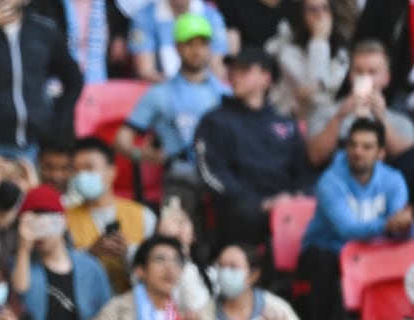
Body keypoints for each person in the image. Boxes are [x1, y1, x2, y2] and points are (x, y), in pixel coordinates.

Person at [299, 117, 412, 320]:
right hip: (326, 251)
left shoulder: (393, 180)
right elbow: (347, 230)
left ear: (381, 153)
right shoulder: (329, 181)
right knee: (327, 264)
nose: (358, 152)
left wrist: (404, 226)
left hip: (373, 256)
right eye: (353, 144)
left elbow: (399, 231)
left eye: (367, 146)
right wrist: (389, 226)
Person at [0, 0, 84, 192]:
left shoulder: (43, 29)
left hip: (32, 146)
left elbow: (74, 79)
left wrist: (56, 124)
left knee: (31, 212)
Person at [115, 13, 229, 233]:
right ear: (177, 47)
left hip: (222, 171)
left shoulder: (226, 92)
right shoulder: (159, 94)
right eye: (189, 44)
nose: (197, 50)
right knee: (175, 220)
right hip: (181, 172)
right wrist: (141, 155)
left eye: (203, 43)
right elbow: (122, 139)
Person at [193, 47, 313, 248]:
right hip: (241, 208)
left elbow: (305, 171)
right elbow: (210, 174)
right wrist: (259, 203)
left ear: (266, 78)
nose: (235, 75)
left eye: (245, 70)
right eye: (233, 69)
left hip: (287, 205)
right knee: (244, 214)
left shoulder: (286, 124)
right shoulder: (214, 121)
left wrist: (296, 196)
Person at [12, 185, 111, 320]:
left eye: (46, 223)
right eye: (32, 225)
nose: (40, 233)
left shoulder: (90, 267)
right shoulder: (20, 265)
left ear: (63, 222)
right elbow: (19, 291)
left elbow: (107, 315)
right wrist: (23, 249)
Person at [65, 137, 157, 294]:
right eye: (76, 170)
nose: (81, 176)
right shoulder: (65, 218)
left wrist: (128, 253)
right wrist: (90, 255)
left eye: (89, 168)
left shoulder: (143, 216)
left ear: (112, 171)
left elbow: (155, 268)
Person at [306, 39, 414, 167]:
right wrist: (339, 117)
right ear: (350, 75)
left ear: (386, 78)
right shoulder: (327, 113)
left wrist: (381, 119)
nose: (365, 77)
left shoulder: (400, 121)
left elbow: (408, 161)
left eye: (372, 72)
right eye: (358, 71)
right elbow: (315, 157)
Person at [265, 0, 350, 120]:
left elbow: (338, 84)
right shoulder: (287, 51)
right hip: (291, 120)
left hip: (330, 120)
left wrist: (320, 86)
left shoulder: (342, 48)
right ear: (302, 16)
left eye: (325, 8)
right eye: (312, 10)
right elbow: (314, 97)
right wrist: (319, 40)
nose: (320, 15)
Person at [127, 0, 228, 83]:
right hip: (160, 92)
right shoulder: (144, 17)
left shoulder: (212, 16)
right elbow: (145, 71)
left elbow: (218, 69)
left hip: (204, 90)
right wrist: (177, 89)